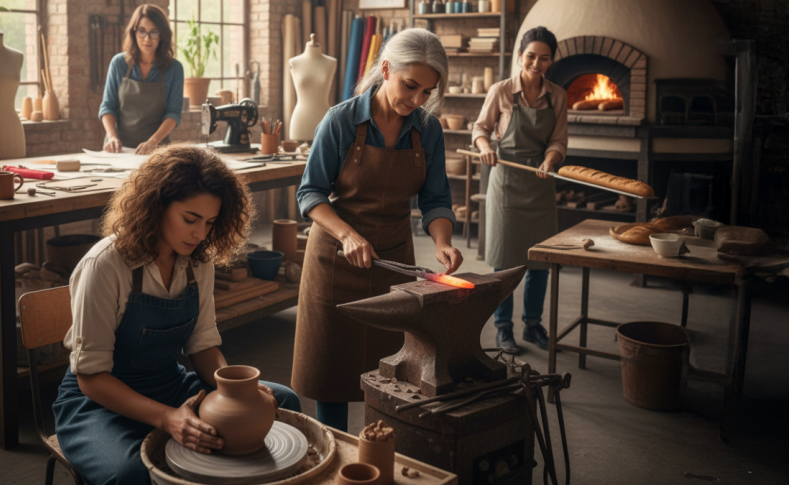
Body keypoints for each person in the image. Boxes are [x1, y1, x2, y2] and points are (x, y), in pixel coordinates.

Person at [53, 145, 301, 484]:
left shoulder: (198, 261)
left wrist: (238, 390)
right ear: (156, 205)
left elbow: (202, 347)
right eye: (190, 219)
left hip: (168, 384)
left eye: (210, 222)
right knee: (132, 474)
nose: (201, 234)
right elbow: (91, 379)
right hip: (97, 402)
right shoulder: (105, 265)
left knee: (282, 401)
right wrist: (168, 418)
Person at [291, 28, 462, 432]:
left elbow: (436, 200)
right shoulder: (341, 121)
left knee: (392, 375)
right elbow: (310, 193)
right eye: (410, 86)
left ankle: (376, 453)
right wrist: (348, 235)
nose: (417, 100)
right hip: (336, 258)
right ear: (386, 69)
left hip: (393, 261)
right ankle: (334, 449)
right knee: (330, 374)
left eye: (427, 92)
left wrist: (443, 241)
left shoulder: (428, 130)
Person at [470, 26, 569, 353]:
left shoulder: (557, 95)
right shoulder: (501, 91)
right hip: (507, 179)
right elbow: (480, 128)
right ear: (519, 57)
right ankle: (503, 328)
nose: (536, 63)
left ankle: (533, 325)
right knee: (507, 261)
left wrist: (551, 160)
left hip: (540, 181)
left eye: (544, 58)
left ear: (551, 60)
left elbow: (558, 140)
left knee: (540, 260)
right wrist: (484, 146)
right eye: (531, 56)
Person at [99, 4, 183, 154]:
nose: (147, 38)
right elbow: (107, 106)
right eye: (141, 31)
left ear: (162, 35)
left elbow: (173, 114)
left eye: (154, 33)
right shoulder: (118, 63)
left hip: (157, 151)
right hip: (118, 151)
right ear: (134, 32)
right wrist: (112, 137)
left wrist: (152, 142)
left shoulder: (174, 69)